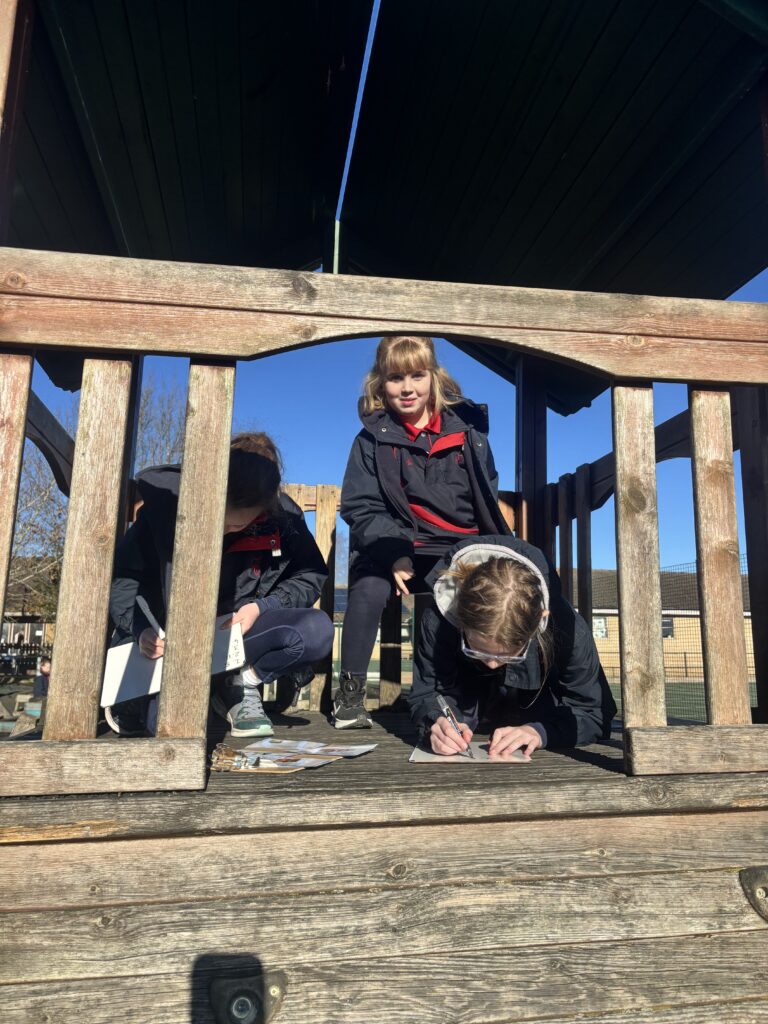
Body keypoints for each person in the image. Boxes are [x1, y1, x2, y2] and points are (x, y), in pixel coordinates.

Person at [108, 432, 333, 737]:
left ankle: (237, 685)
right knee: (158, 727)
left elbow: (308, 575)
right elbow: (123, 578)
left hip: (236, 638)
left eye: (239, 524)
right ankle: (149, 699)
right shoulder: (165, 509)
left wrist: (263, 606)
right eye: (221, 519)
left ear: (264, 508)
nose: (227, 530)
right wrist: (140, 628)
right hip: (168, 641)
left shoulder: (285, 521)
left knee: (316, 629)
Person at [337, 335, 509, 729]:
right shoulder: (370, 440)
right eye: (396, 378)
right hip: (398, 539)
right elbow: (361, 504)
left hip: (457, 544)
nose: (408, 388)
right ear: (381, 385)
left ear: (434, 377)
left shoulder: (468, 433)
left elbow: (486, 491)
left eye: (417, 375)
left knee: (471, 592)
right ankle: (349, 694)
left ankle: (463, 695)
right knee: (368, 586)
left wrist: (480, 550)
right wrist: (393, 551)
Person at [408, 535, 617, 758]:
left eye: (510, 655)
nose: (491, 664)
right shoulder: (438, 620)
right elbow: (428, 692)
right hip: (468, 713)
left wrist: (541, 732)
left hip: (538, 710)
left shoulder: (570, 629)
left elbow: (594, 712)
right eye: (476, 650)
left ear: (539, 620)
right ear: (459, 618)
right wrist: (435, 721)